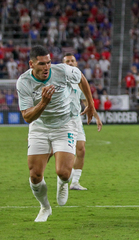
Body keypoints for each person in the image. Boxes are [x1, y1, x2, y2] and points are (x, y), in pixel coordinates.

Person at [16, 45, 95, 222]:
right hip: (39, 127)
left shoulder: (63, 71)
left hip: (64, 125)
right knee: (35, 175)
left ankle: (63, 183)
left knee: (63, 172)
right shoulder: (23, 82)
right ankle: (45, 207)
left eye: (49, 63)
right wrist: (43, 103)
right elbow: (27, 117)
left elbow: (81, 77)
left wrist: (90, 103)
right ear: (31, 64)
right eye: (42, 64)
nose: (46, 67)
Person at [62, 53, 103, 190]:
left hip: (76, 120)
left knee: (81, 150)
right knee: (54, 152)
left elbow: (87, 102)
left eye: (72, 61)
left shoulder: (79, 82)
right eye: (67, 61)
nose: (70, 63)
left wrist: (96, 117)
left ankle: (74, 182)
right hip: (61, 121)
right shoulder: (58, 81)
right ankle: (40, 172)